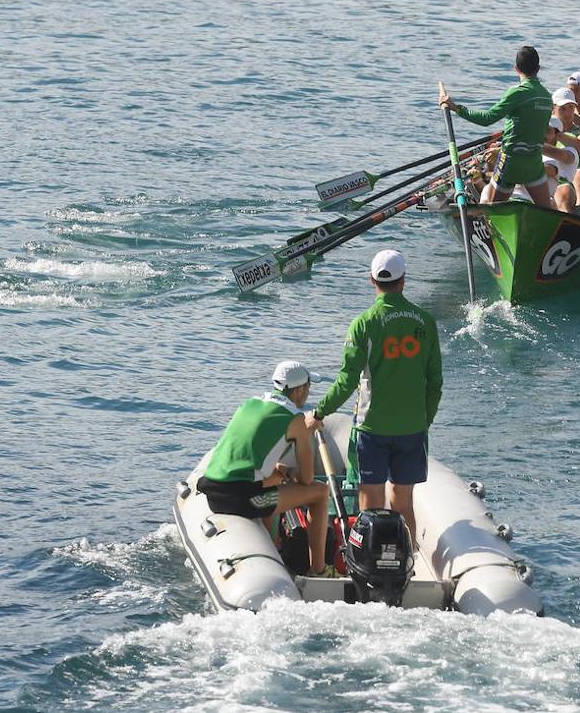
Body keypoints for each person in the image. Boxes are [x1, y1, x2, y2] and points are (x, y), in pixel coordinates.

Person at [312, 249, 442, 546]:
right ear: (403, 280)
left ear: (372, 280)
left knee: (369, 501)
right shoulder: (425, 322)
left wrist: (319, 412)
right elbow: (435, 382)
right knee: (403, 500)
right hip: (412, 427)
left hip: (371, 429)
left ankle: (369, 556)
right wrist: (425, 419)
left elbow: (346, 381)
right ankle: (406, 557)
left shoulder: (364, 323)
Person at [198, 361, 330, 576]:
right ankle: (319, 569)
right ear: (299, 390)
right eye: (308, 387)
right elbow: (307, 479)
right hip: (245, 500)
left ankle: (273, 543)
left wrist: (281, 472)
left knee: (272, 476)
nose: (308, 392)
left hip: (213, 492)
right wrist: (290, 472)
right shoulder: (296, 420)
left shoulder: (250, 403)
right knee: (320, 492)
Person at [440, 45, 554, 208]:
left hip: (510, 162)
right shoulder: (547, 97)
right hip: (534, 163)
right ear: (538, 69)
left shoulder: (517, 92)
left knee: (494, 211)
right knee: (547, 211)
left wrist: (456, 107)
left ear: (516, 69)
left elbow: (487, 119)